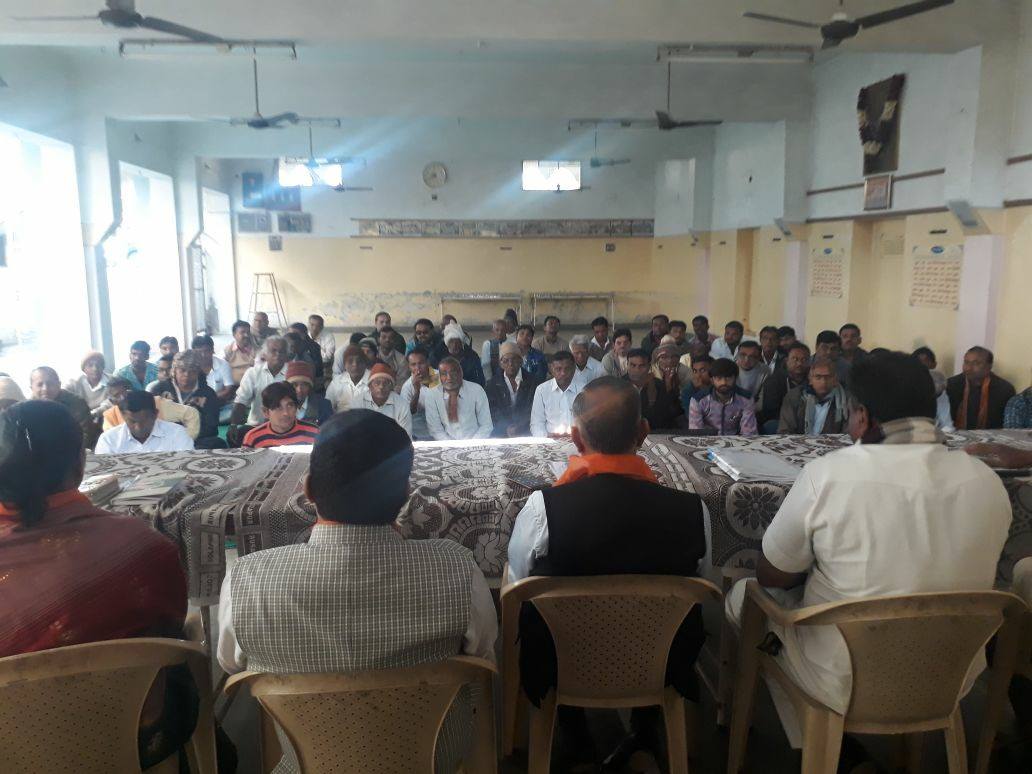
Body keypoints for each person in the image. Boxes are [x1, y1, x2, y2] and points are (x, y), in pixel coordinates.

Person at [724, 352, 1012, 750]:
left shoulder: (829, 474)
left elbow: (772, 574)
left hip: (843, 678)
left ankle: (826, 749)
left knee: (746, 597)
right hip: (950, 675)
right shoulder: (986, 481)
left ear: (862, 416)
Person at [218, 409, 496, 772]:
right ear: (406, 495)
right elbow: (482, 652)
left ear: (308, 490)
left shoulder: (247, 581)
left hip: (307, 762)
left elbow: (231, 662)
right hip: (434, 758)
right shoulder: (457, 568)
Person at [507, 377, 708, 768]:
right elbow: (703, 587)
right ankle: (645, 728)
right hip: (659, 660)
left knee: (547, 613)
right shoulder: (691, 510)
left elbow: (520, 580)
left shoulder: (545, 508)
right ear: (643, 433)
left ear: (576, 438)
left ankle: (575, 733)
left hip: (564, 659)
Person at [0, 400, 201, 769]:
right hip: (132, 735)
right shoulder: (142, 547)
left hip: (11, 748)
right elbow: (171, 624)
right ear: (79, 464)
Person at [150, 350, 224, 448]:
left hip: (197, 440)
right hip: (165, 439)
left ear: (198, 372)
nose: (187, 374)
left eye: (192, 371)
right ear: (174, 370)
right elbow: (150, 419)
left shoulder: (208, 393)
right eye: (182, 370)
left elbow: (211, 426)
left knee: (218, 443)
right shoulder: (159, 390)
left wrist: (185, 436)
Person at [96, 390, 194, 454]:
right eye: (132, 421)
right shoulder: (109, 440)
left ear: (155, 414)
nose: (138, 427)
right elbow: (104, 476)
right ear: (123, 416)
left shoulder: (177, 434)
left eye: (144, 421)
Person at [101, 377, 200, 439]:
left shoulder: (156, 402)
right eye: (117, 395)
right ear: (112, 401)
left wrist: (186, 439)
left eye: (125, 392)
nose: (123, 397)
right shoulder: (110, 416)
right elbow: (113, 441)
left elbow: (191, 413)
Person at [947, 347, 1017, 430]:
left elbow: (1006, 423)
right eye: (966, 362)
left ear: (989, 366)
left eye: (976, 363)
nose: (968, 368)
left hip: (991, 435)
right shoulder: (951, 385)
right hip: (953, 434)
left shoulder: (1004, 389)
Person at [424, 357, 493, 440]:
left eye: (453, 372)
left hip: (475, 442)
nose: (449, 377)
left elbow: (486, 425)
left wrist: (472, 445)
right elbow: (435, 430)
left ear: (461, 373)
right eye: (444, 374)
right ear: (440, 376)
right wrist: (451, 446)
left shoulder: (476, 390)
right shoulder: (432, 395)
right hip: (446, 445)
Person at [778, 356, 850, 435]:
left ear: (835, 380)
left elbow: (848, 434)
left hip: (833, 442)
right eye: (818, 377)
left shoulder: (847, 400)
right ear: (810, 380)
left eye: (828, 377)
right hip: (799, 442)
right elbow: (785, 431)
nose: (823, 382)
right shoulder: (794, 397)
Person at [29, 366, 96, 447]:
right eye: (40, 385)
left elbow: (85, 436)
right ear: (31, 388)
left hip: (71, 450)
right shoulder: (25, 409)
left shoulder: (77, 403)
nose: (45, 389)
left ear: (59, 385)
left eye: (50, 384)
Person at [688, 358, 758, 436]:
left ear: (735, 378)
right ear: (712, 380)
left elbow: (749, 433)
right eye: (719, 378)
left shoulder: (746, 399)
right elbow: (696, 433)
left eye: (728, 378)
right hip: (708, 440)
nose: (723, 382)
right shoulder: (698, 400)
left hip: (736, 440)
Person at [231, 336, 289, 428]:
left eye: (282, 351)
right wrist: (233, 426)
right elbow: (241, 401)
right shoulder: (253, 373)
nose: (278, 354)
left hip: (286, 427)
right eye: (273, 351)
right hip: (256, 426)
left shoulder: (293, 374)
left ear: (287, 355)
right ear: (265, 354)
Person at [241, 382, 320, 449]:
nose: (285, 413)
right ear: (266, 412)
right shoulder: (253, 438)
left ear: (296, 408)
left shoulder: (314, 433)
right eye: (278, 407)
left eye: (290, 406)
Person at [485, 342, 539, 438]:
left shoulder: (533, 382)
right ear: (500, 364)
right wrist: (506, 428)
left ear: (521, 361)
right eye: (506, 361)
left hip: (526, 430)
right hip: (501, 431)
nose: (510, 364)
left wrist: (519, 427)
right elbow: (493, 410)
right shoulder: (492, 384)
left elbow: (533, 408)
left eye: (514, 359)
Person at [756, 343, 810, 433]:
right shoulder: (774, 381)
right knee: (771, 425)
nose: (799, 363)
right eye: (795, 359)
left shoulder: (813, 379)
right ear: (786, 360)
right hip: (782, 420)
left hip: (807, 419)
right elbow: (770, 411)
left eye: (804, 360)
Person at [625, 348, 681, 431]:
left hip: (653, 432)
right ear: (627, 365)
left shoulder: (659, 386)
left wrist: (669, 390)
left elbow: (669, 415)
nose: (637, 370)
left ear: (649, 366)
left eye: (642, 366)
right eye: (633, 365)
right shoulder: (618, 386)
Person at [530, 351, 581, 437]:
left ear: (574, 369)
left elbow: (589, 422)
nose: (563, 373)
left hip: (577, 440)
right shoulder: (542, 390)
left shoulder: (583, 390)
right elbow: (536, 423)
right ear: (552, 370)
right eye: (558, 369)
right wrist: (547, 437)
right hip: (550, 441)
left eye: (567, 369)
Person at [354, 363, 413, 438]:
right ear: (370, 386)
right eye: (377, 383)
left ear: (391, 387)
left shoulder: (402, 405)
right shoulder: (357, 403)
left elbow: (405, 438)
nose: (381, 387)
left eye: (386, 383)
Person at [400, 347, 440, 440]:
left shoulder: (442, 376)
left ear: (428, 362)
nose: (417, 368)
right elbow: (409, 413)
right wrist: (417, 391)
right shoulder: (407, 386)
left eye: (421, 363)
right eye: (413, 364)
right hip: (423, 428)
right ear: (409, 366)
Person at [63, 351, 111, 418]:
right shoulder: (75, 382)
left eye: (98, 365)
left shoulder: (112, 381)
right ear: (83, 369)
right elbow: (62, 393)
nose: (95, 369)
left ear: (103, 367)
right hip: (81, 418)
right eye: (90, 365)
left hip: (106, 418)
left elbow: (111, 403)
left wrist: (92, 414)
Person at [651, 341, 690, 420]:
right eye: (664, 357)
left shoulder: (685, 371)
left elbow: (688, 394)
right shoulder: (651, 372)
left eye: (674, 357)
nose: (669, 361)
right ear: (657, 360)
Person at [325, 345, 371, 412]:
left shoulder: (374, 380)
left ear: (365, 363)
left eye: (359, 361)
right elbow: (327, 408)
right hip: (341, 418)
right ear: (344, 365)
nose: (355, 364)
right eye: (350, 361)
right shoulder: (337, 382)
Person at [191, 334, 236, 400]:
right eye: (199, 352)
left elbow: (228, 390)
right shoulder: (190, 367)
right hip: (195, 402)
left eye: (206, 351)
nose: (203, 355)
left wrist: (207, 399)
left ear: (212, 350)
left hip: (220, 401)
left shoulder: (223, 364)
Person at [287, 361, 332, 425]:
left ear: (310, 387)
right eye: (294, 385)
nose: (299, 390)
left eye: (304, 385)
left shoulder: (324, 406)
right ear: (287, 387)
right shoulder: (279, 406)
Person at [224, 320, 257, 385]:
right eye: (242, 332)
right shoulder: (228, 350)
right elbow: (222, 369)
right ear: (234, 335)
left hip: (254, 385)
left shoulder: (257, 349)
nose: (246, 335)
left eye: (248, 332)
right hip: (235, 386)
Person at [377, 325, 409, 390]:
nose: (387, 340)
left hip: (394, 392)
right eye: (384, 337)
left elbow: (402, 382)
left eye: (390, 338)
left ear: (394, 340)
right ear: (378, 339)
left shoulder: (401, 359)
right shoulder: (373, 354)